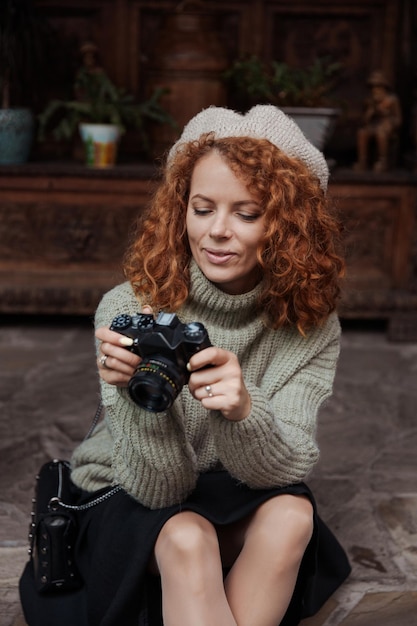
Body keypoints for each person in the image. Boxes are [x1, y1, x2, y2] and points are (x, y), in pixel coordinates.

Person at [20, 104, 350, 626]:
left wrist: (242, 411)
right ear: (180, 208)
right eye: (202, 208)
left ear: (289, 225)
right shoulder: (133, 306)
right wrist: (140, 401)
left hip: (237, 485)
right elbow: (161, 490)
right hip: (132, 488)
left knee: (292, 514)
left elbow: (286, 467)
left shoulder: (310, 323)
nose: (217, 231)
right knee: (188, 535)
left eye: (246, 213)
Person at [354, 70, 402, 172]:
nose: (376, 90)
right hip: (373, 125)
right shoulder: (369, 101)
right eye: (374, 87)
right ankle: (363, 161)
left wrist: (388, 118)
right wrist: (370, 112)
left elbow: (398, 119)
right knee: (362, 133)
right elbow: (364, 120)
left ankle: (383, 161)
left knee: (381, 133)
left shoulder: (392, 100)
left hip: (386, 125)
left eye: (379, 87)